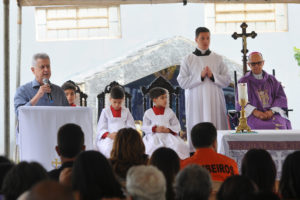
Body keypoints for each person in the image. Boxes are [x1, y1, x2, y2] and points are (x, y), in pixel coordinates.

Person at [177, 27, 231, 153]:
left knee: (215, 125)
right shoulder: (188, 59)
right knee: (197, 124)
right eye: (202, 38)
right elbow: (182, 82)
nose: (206, 41)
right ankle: (196, 152)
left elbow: (227, 80)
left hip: (214, 99)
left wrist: (213, 76)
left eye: (208, 38)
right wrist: (199, 77)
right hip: (196, 101)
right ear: (196, 39)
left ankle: (218, 150)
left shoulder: (218, 58)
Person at [236, 52, 291, 129]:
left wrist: (271, 111)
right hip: (253, 115)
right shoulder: (243, 81)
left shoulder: (272, 80)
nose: (256, 66)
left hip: (272, 114)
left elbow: (280, 97)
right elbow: (240, 101)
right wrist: (256, 112)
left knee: (280, 125)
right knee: (256, 127)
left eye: (259, 63)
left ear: (263, 63)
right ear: (249, 64)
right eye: (253, 64)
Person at [142, 87, 189, 159]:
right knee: (151, 146)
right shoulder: (148, 113)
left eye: (166, 97)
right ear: (154, 100)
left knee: (178, 146)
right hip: (154, 136)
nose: (165, 100)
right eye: (162, 98)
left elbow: (176, 125)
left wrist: (168, 130)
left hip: (168, 136)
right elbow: (145, 127)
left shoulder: (169, 111)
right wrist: (155, 129)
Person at [96, 86, 136, 158]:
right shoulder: (105, 111)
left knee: (129, 148)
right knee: (109, 149)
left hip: (123, 138)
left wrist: (124, 135)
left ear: (123, 100)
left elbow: (131, 127)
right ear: (110, 99)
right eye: (114, 102)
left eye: (119, 102)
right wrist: (109, 135)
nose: (117, 105)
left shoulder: (126, 111)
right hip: (109, 138)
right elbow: (101, 128)